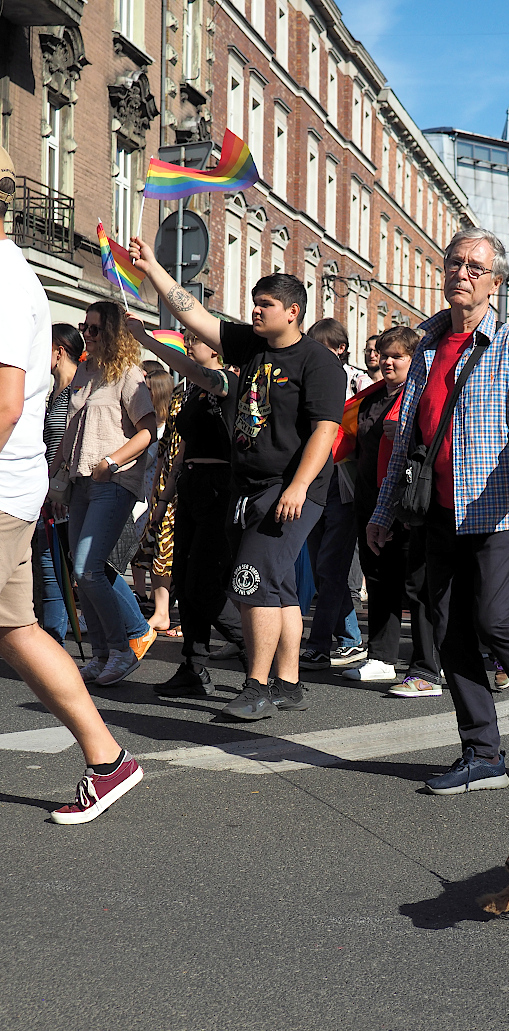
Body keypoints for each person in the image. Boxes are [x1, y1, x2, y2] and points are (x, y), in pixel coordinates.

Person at [368, 228, 509, 793]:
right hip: (438, 512)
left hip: (498, 509)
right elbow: (409, 438)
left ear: (496, 283)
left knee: (494, 619)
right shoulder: (427, 347)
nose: (461, 273)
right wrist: (383, 511)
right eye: (454, 262)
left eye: (475, 267)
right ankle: (482, 751)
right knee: (450, 630)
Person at [130, 234, 345, 720]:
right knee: (279, 587)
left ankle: (256, 687)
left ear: (293, 312)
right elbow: (195, 316)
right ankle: (288, 684)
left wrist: (297, 487)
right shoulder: (251, 345)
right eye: (254, 303)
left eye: (265, 304)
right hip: (245, 487)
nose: (255, 311)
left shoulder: (318, 362)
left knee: (251, 582)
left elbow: (325, 431)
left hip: (290, 489)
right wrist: (154, 270)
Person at [0, 146, 142, 824]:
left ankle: (110, 751)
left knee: (38, 613)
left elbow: (6, 405)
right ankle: (108, 760)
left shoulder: (5, 282)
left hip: (11, 488)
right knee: (19, 629)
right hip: (27, 486)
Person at [126, 317, 245, 697]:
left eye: (197, 339)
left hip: (219, 488)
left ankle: (255, 650)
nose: (190, 344)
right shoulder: (191, 392)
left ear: (218, 349)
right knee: (183, 578)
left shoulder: (227, 382)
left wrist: (145, 339)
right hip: (190, 486)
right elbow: (183, 449)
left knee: (203, 584)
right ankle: (194, 668)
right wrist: (164, 499)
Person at [49, 300, 158, 686]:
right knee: (84, 573)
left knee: (88, 568)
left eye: (94, 328)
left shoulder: (129, 374)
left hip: (113, 482)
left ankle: (122, 649)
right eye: (85, 327)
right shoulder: (85, 371)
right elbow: (69, 430)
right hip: (79, 482)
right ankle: (101, 655)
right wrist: (50, 477)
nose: (87, 335)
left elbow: (148, 431)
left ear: (112, 333)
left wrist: (111, 461)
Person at [348, 325, 441, 695]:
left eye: (397, 356)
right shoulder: (371, 398)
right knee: (378, 578)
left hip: (409, 501)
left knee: (416, 586)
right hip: (371, 497)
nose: (387, 361)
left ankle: (426, 664)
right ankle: (381, 657)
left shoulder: (420, 397)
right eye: (384, 355)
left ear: (414, 360)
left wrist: (405, 430)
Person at [297, 318, 366, 669]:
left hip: (344, 481)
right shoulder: (306, 375)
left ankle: (320, 643)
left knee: (330, 565)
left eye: (321, 346)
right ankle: (350, 637)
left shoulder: (358, 382)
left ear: (340, 348)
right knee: (321, 565)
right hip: (312, 479)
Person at [35, 324, 84, 643]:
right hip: (48, 490)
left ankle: (126, 636)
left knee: (76, 572)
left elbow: (73, 442)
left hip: (67, 491)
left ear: (59, 351)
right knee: (49, 569)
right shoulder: (52, 391)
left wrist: (58, 487)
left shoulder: (78, 390)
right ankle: (52, 641)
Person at [132, 368, 180, 632]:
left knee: (165, 551)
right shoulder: (154, 421)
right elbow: (161, 458)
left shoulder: (167, 422)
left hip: (168, 494)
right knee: (151, 551)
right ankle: (153, 603)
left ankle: (162, 607)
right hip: (153, 494)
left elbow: (160, 460)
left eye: (148, 389)